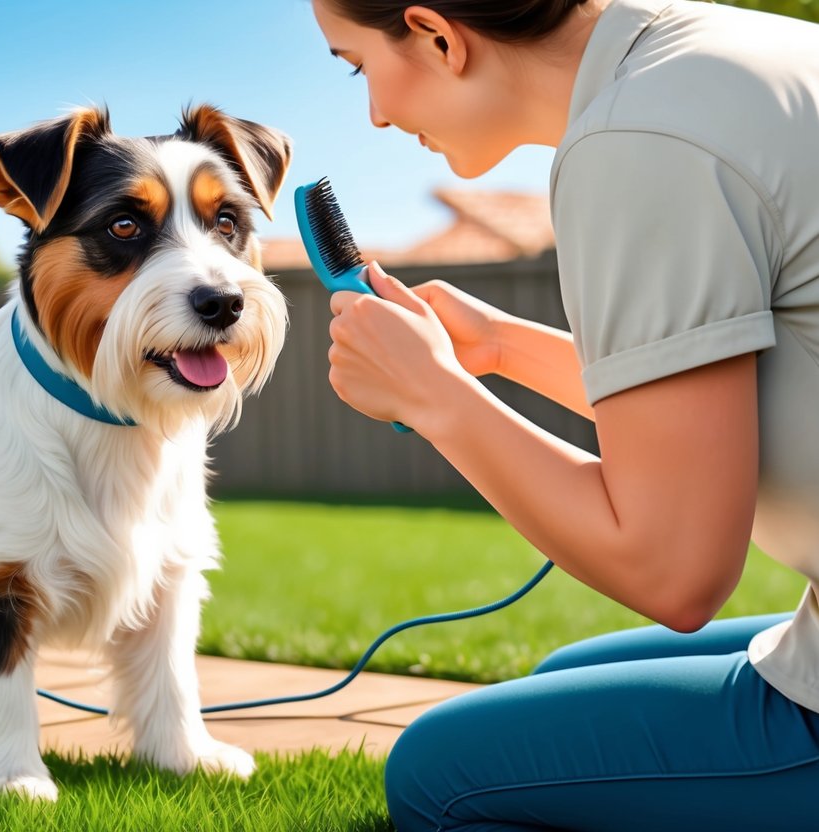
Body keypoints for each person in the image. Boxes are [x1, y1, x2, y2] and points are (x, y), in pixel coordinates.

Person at [311, 0, 819, 828]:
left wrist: (434, 399)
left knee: (439, 772)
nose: (373, 113)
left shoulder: (635, 140)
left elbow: (673, 571)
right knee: (563, 673)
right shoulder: (711, 56)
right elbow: (740, 406)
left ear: (437, 35)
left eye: (357, 65)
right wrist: (501, 348)